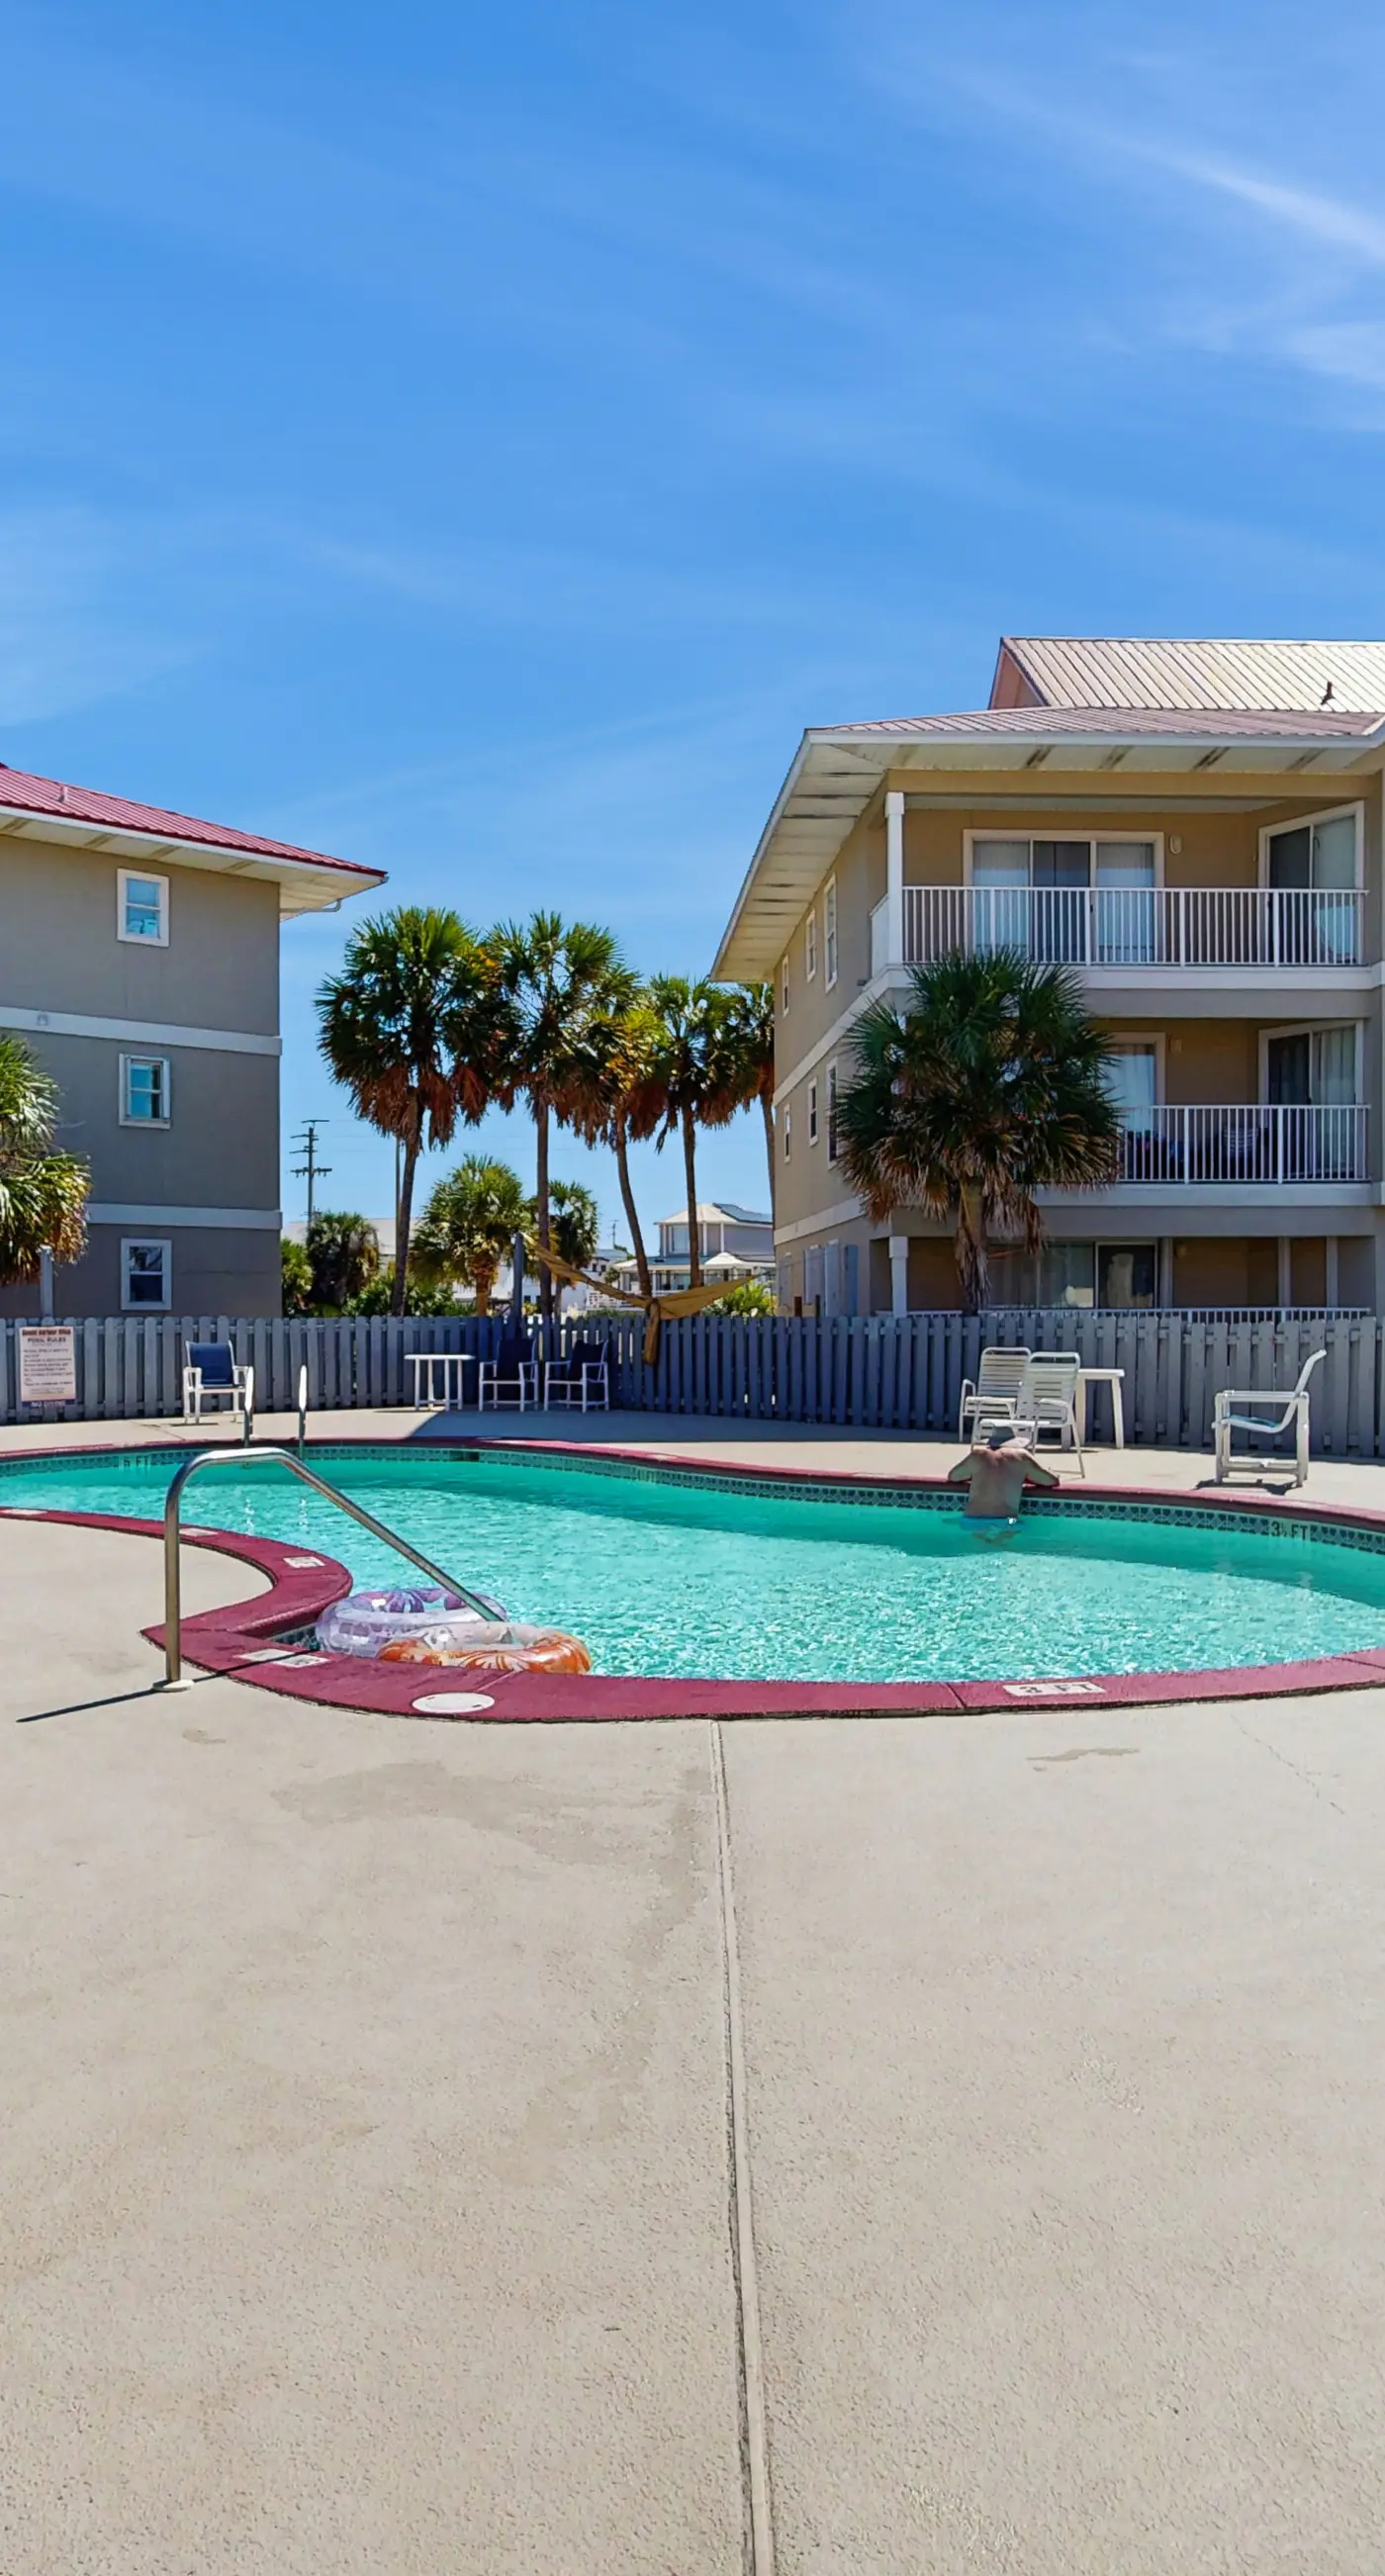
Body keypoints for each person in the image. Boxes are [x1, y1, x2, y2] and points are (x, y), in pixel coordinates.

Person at [948, 1423, 1059, 1534]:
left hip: (972, 1520)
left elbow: (953, 1476)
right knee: (1021, 1527)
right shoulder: (1021, 1457)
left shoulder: (977, 1455)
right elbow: (1051, 1481)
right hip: (1007, 1522)